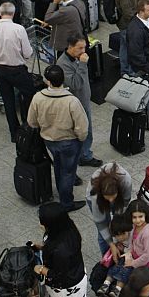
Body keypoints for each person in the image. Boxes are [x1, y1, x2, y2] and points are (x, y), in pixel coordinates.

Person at [27, 64, 88, 212]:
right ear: (63, 80)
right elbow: (82, 127)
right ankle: (66, 202)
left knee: (58, 164)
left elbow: (31, 122)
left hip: (49, 140)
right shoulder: (71, 101)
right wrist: (80, 138)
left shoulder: (38, 98)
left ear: (47, 81)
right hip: (69, 142)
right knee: (68, 172)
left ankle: (61, 189)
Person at [32, 202, 87, 297]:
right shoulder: (67, 228)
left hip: (66, 287)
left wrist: (41, 269)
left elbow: (59, 275)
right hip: (75, 273)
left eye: (43, 222)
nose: (40, 224)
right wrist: (43, 247)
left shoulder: (61, 251)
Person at [58, 35, 102, 169]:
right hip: (75, 104)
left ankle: (85, 155)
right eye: (80, 48)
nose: (84, 51)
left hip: (84, 99)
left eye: (85, 47)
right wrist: (83, 64)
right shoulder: (63, 64)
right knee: (80, 132)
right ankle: (80, 157)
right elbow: (75, 84)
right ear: (70, 47)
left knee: (87, 130)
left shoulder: (78, 57)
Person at [125, 0, 149, 131]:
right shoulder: (136, 30)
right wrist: (147, 68)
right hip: (145, 68)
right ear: (141, 11)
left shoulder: (145, 21)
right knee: (147, 94)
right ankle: (148, 121)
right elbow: (136, 54)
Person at [86, 162, 134, 254]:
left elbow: (125, 202)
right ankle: (106, 258)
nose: (111, 201)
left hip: (120, 196)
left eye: (113, 197)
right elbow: (100, 222)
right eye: (108, 198)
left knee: (117, 224)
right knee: (103, 233)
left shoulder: (126, 181)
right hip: (96, 198)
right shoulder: (95, 195)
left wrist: (117, 222)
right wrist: (111, 244)